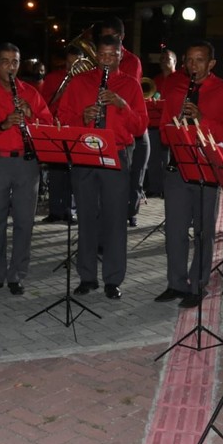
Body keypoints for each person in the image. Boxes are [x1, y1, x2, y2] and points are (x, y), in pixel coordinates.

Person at [57, 33, 147, 300]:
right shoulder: (80, 82)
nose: (107, 60)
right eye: (103, 55)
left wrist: (122, 105)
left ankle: (113, 279)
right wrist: (83, 116)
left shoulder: (131, 84)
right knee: (86, 218)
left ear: (121, 55)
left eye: (113, 55)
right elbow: (62, 118)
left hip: (116, 154)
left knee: (115, 220)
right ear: (96, 55)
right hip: (85, 153)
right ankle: (87, 277)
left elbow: (140, 127)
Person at [153, 40, 223, 308]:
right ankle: (176, 283)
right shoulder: (176, 89)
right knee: (175, 231)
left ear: (211, 63)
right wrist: (176, 126)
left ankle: (198, 284)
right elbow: (164, 130)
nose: (192, 65)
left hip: (208, 170)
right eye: (189, 60)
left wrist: (202, 120)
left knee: (204, 231)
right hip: (178, 168)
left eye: (199, 60)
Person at [0, 43, 53, 295]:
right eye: (5, 61)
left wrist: (31, 115)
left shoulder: (30, 93)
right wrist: (2, 125)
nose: (11, 67)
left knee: (25, 222)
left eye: (15, 62)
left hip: (27, 163)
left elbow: (48, 125)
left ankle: (17, 275)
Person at [96, 17, 148, 226]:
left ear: (122, 37)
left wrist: (118, 102)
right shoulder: (98, 56)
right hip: (98, 134)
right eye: (104, 37)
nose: (108, 39)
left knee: (138, 161)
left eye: (113, 36)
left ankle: (130, 209)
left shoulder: (131, 61)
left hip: (125, 121)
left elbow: (128, 89)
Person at [39, 44, 82, 223]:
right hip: (56, 128)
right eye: (69, 63)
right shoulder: (53, 78)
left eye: (76, 64)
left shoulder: (85, 81)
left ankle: (70, 210)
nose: (72, 68)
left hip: (76, 129)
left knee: (74, 172)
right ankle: (55, 210)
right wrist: (63, 90)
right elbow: (45, 105)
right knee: (56, 171)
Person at [145, 48, 180, 198]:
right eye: (162, 59)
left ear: (175, 62)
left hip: (173, 124)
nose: (163, 61)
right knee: (153, 158)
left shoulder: (180, 79)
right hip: (155, 123)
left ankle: (169, 188)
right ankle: (154, 187)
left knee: (170, 159)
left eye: (167, 58)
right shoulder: (155, 80)